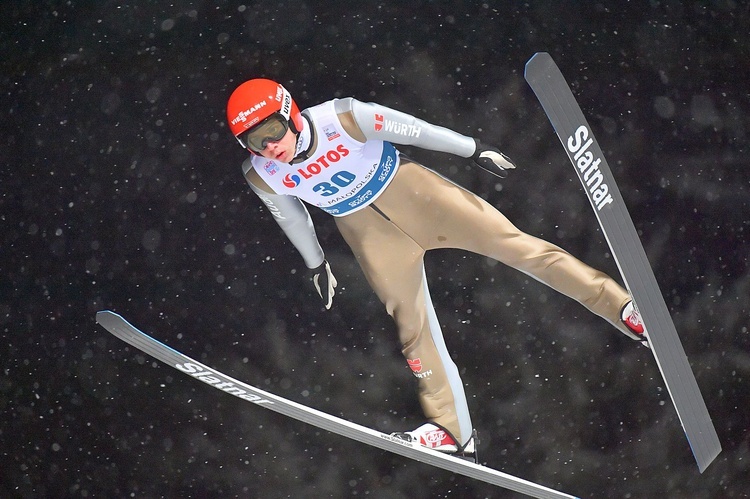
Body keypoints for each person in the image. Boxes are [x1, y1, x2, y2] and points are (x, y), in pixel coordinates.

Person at [225, 78, 648, 461]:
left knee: (518, 249)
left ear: (290, 113)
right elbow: (291, 217)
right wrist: (315, 262)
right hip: (368, 233)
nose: (268, 148)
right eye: (253, 142)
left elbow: (412, 128)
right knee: (411, 328)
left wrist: (473, 148)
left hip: (415, 194)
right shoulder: (261, 172)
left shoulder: (343, 117)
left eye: (271, 133)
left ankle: (622, 308)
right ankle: (451, 429)